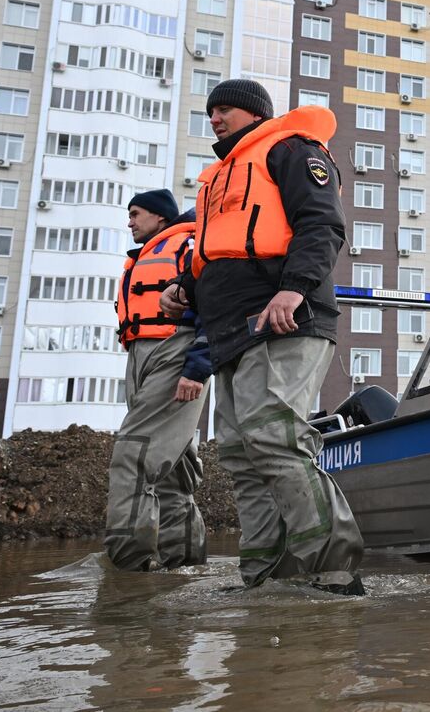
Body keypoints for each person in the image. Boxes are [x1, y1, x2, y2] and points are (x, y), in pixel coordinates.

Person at [160, 78, 364, 594]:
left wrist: (294, 289)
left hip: (285, 319)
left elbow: (322, 224)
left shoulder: (291, 150)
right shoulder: (218, 180)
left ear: (254, 113)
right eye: (210, 112)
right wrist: (185, 286)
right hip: (231, 332)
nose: (215, 119)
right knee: (240, 453)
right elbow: (217, 250)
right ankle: (264, 576)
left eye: (225, 109)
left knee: (274, 438)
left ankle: (331, 570)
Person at [105, 189, 211, 571]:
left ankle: (128, 571)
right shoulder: (144, 257)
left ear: (161, 217)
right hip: (141, 357)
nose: (129, 221)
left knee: (134, 456)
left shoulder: (186, 245)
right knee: (170, 470)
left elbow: (211, 303)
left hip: (173, 351)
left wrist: (196, 367)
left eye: (136, 213)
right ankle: (184, 566)